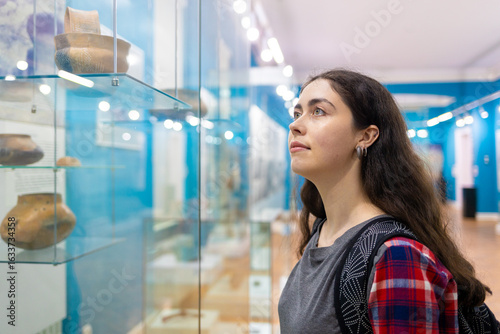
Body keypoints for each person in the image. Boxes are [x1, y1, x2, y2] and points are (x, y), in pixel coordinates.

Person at [278, 69, 491, 333]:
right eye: (297, 113)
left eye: (318, 111)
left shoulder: (396, 257)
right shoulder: (322, 229)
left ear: (365, 136)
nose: (295, 125)